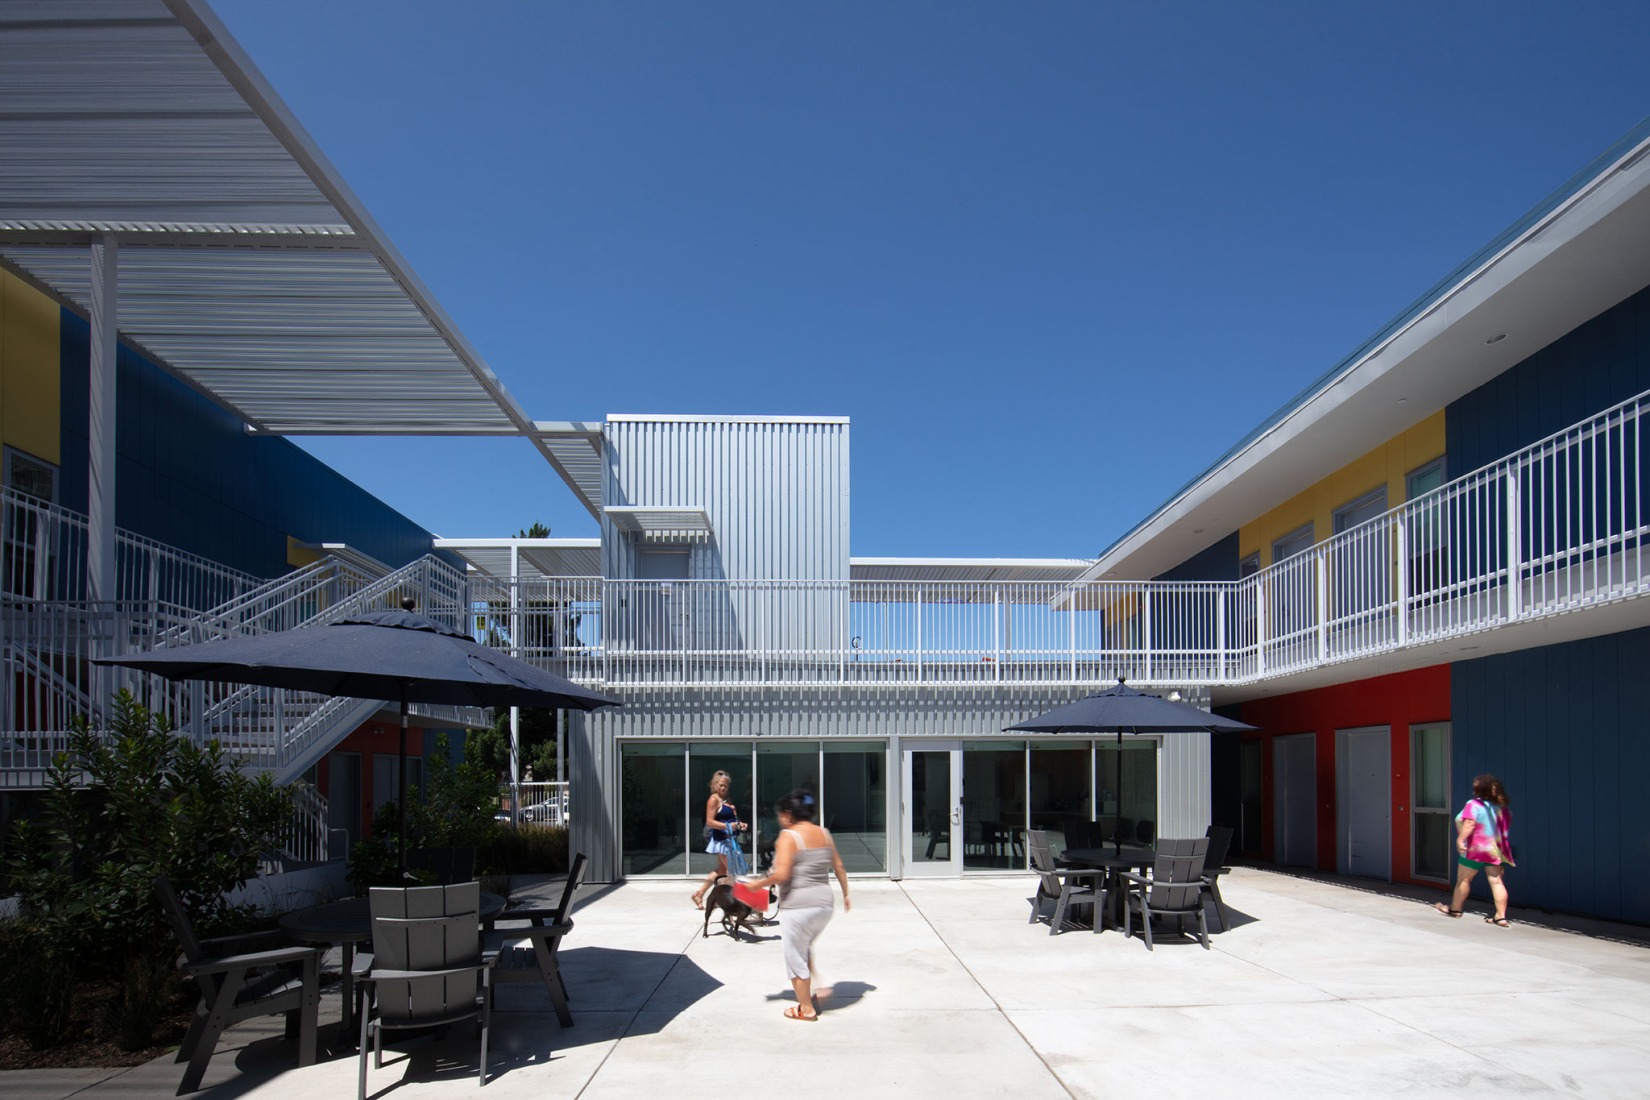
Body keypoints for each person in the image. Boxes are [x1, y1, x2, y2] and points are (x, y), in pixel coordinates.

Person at [745, 788, 851, 1020]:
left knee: (795, 957)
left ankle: (806, 1009)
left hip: (799, 907)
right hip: (824, 906)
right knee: (803, 949)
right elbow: (839, 867)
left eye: (780, 814)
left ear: (787, 815)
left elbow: (781, 874)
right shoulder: (824, 833)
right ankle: (815, 988)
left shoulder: (788, 836)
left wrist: (757, 885)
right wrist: (846, 894)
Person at [1434, 773, 1516, 927]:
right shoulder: (1501, 808)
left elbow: (1470, 823)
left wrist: (1460, 839)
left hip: (1475, 850)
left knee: (1463, 879)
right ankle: (1500, 916)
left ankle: (1455, 910)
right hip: (1495, 851)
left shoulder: (1474, 804)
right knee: (1497, 882)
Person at [691, 770, 748, 909]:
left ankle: (699, 894)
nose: (723, 788)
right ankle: (730, 903)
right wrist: (728, 826)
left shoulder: (726, 799)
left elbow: (730, 818)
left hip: (730, 840)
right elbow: (710, 822)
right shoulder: (713, 800)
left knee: (722, 870)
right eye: (721, 785)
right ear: (715, 785)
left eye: (726, 786)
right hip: (722, 841)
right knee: (731, 873)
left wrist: (740, 824)